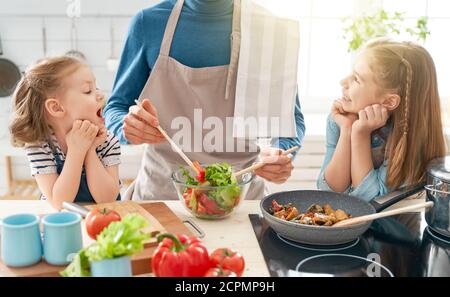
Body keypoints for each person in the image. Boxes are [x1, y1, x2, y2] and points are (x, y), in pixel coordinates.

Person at [104, 0, 305, 200]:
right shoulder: (148, 24)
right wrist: (127, 127)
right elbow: (116, 107)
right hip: (162, 199)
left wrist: (280, 153)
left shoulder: (270, 30)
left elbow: (290, 120)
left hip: (241, 202)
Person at [317, 38, 446, 201]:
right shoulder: (342, 119)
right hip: (354, 225)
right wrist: (347, 129)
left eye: (356, 79)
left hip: (393, 226)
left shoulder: (409, 139)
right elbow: (327, 192)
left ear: (389, 102)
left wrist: (360, 135)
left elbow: (368, 200)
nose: (343, 82)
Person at [9, 56, 121, 209]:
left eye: (96, 87)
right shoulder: (39, 146)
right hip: (63, 224)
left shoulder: (107, 140)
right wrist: (76, 151)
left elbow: (107, 199)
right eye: (88, 91)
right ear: (56, 108)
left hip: (103, 223)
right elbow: (60, 203)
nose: (100, 95)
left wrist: (89, 149)